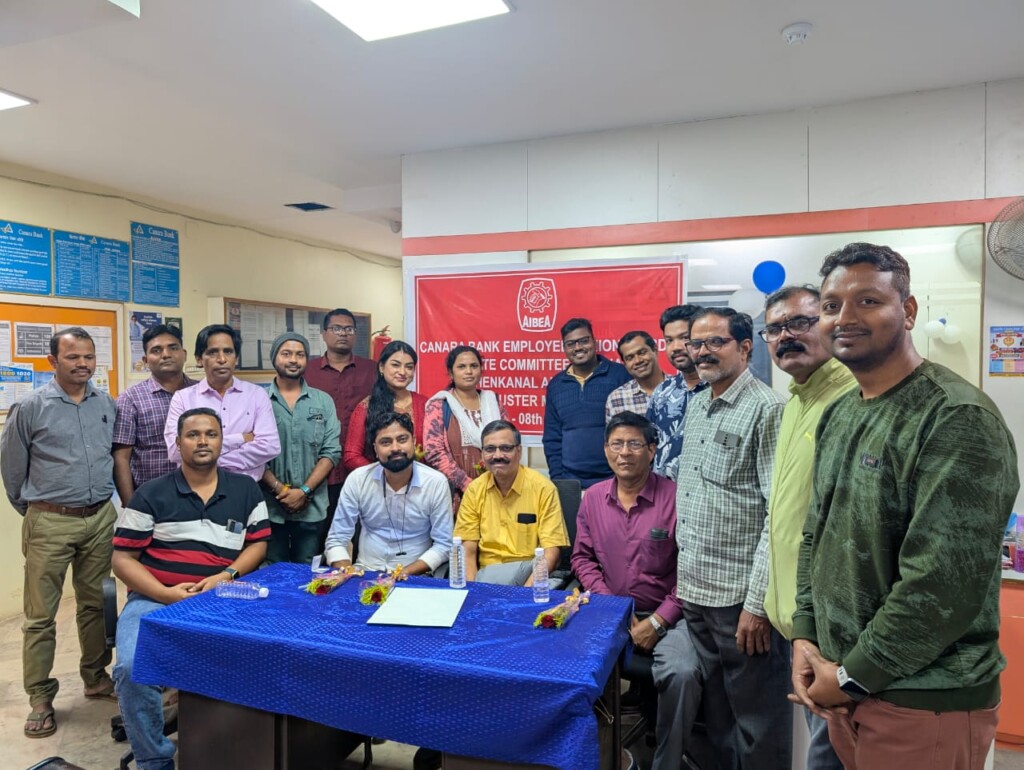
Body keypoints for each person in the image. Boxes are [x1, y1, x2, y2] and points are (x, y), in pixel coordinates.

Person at [791, 243, 1020, 770]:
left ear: (908, 310)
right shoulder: (840, 413)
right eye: (830, 306)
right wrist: (806, 635)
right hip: (845, 686)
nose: (844, 318)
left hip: (921, 698)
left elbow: (941, 587)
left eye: (867, 301)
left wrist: (852, 676)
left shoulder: (956, 417)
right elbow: (816, 534)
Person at [112, 407, 270, 770]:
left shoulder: (246, 489)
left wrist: (226, 575)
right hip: (155, 599)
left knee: (262, 655)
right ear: (178, 442)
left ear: (222, 440)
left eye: (211, 434)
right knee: (131, 667)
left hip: (224, 598)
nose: (202, 441)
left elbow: (258, 544)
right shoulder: (150, 493)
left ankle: (243, 753)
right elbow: (122, 559)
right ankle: (154, 760)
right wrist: (166, 594)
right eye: (193, 434)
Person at [675, 307, 791, 768]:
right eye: (696, 343)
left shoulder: (768, 409)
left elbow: (776, 515)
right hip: (695, 589)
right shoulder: (698, 403)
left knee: (757, 721)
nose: (702, 352)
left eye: (715, 342)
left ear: (744, 347)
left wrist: (757, 605)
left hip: (739, 600)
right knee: (717, 716)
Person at [1, 327, 118, 738]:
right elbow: (12, 469)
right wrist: (37, 512)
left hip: (99, 517)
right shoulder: (31, 406)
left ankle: (96, 677)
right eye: (73, 357)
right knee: (40, 616)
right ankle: (40, 696)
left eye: (89, 356)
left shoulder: (106, 403)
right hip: (49, 520)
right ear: (53, 361)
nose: (83, 364)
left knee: (96, 605)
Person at [572, 411, 702, 770]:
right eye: (616, 444)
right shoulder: (593, 498)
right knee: (570, 661)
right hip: (611, 611)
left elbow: (693, 569)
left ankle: (667, 762)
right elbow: (582, 558)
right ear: (605, 449)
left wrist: (659, 621)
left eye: (634, 444)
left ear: (652, 450)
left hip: (672, 615)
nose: (624, 453)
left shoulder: (677, 498)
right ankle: (594, 755)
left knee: (682, 672)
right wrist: (610, 604)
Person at [759, 285, 856, 770]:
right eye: (775, 328)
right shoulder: (795, 401)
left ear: (830, 323)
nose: (786, 336)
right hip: (799, 623)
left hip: (833, 631)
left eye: (800, 322)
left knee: (831, 754)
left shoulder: (851, 399)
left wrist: (816, 627)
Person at [326, 411, 452, 575]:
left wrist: (402, 574)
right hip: (365, 573)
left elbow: (444, 544)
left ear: (414, 442)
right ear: (375, 449)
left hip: (415, 576)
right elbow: (337, 539)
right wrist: (346, 572)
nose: (395, 448)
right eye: (385, 442)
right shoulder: (358, 479)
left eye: (402, 439)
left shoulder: (435, 483)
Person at [456, 419, 568, 585]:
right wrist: (472, 591)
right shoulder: (474, 490)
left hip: (530, 577)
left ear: (519, 451)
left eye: (506, 448)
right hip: (488, 579)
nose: (498, 455)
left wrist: (526, 592)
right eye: (490, 449)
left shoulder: (543, 489)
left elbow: (551, 553)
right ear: (482, 454)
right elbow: (468, 550)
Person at [262, 332, 341, 564]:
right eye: (286, 354)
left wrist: (304, 491)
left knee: (308, 572)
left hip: (312, 508)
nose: (293, 360)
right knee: (272, 572)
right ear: (274, 358)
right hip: (269, 507)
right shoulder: (259, 400)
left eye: (300, 354)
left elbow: (331, 451)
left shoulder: (323, 401)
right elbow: (252, 454)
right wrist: (281, 490)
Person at [164, 324, 280, 481]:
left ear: (236, 358)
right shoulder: (183, 398)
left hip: (245, 488)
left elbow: (270, 446)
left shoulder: (256, 394)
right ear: (199, 359)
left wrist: (206, 459)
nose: (222, 359)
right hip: (196, 488)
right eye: (212, 352)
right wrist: (240, 439)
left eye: (228, 351)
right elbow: (174, 451)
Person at [304, 308, 377, 518]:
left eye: (349, 329)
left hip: (363, 467)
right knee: (320, 528)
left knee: (361, 527)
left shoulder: (372, 370)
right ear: (324, 334)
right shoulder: (307, 371)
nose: (343, 333)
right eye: (336, 328)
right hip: (318, 469)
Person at [113, 324, 197, 505]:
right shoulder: (130, 399)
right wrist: (130, 506)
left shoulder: (202, 392)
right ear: (145, 360)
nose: (166, 354)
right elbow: (121, 458)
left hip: (200, 494)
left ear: (184, 354)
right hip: (153, 499)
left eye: (173, 348)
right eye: (156, 350)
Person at [543, 318, 630, 488]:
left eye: (584, 341)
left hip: (615, 480)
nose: (578, 348)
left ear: (594, 342)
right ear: (564, 348)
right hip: (571, 482)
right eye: (571, 344)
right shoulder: (556, 385)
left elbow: (635, 430)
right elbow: (552, 438)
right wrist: (559, 479)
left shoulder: (621, 376)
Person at [423, 345, 508, 514]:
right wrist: (467, 484)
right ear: (451, 373)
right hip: (455, 494)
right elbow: (433, 452)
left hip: (496, 489)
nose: (469, 371)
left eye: (474, 366)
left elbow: (507, 441)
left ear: (481, 370)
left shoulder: (493, 401)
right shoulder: (439, 405)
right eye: (461, 367)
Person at [343, 340, 428, 473]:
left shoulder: (426, 405)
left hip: (421, 480)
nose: (402, 372)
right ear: (382, 367)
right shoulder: (367, 407)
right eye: (395, 365)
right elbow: (351, 456)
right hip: (379, 482)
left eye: (409, 367)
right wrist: (384, 475)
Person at [647, 304, 707, 480]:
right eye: (669, 340)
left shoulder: (720, 390)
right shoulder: (662, 392)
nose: (676, 347)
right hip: (662, 493)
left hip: (703, 494)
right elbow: (649, 445)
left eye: (684, 338)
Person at [605, 330, 666, 420]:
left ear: (655, 350)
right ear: (625, 363)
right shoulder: (616, 399)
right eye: (630, 358)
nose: (638, 361)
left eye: (642, 352)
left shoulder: (680, 388)